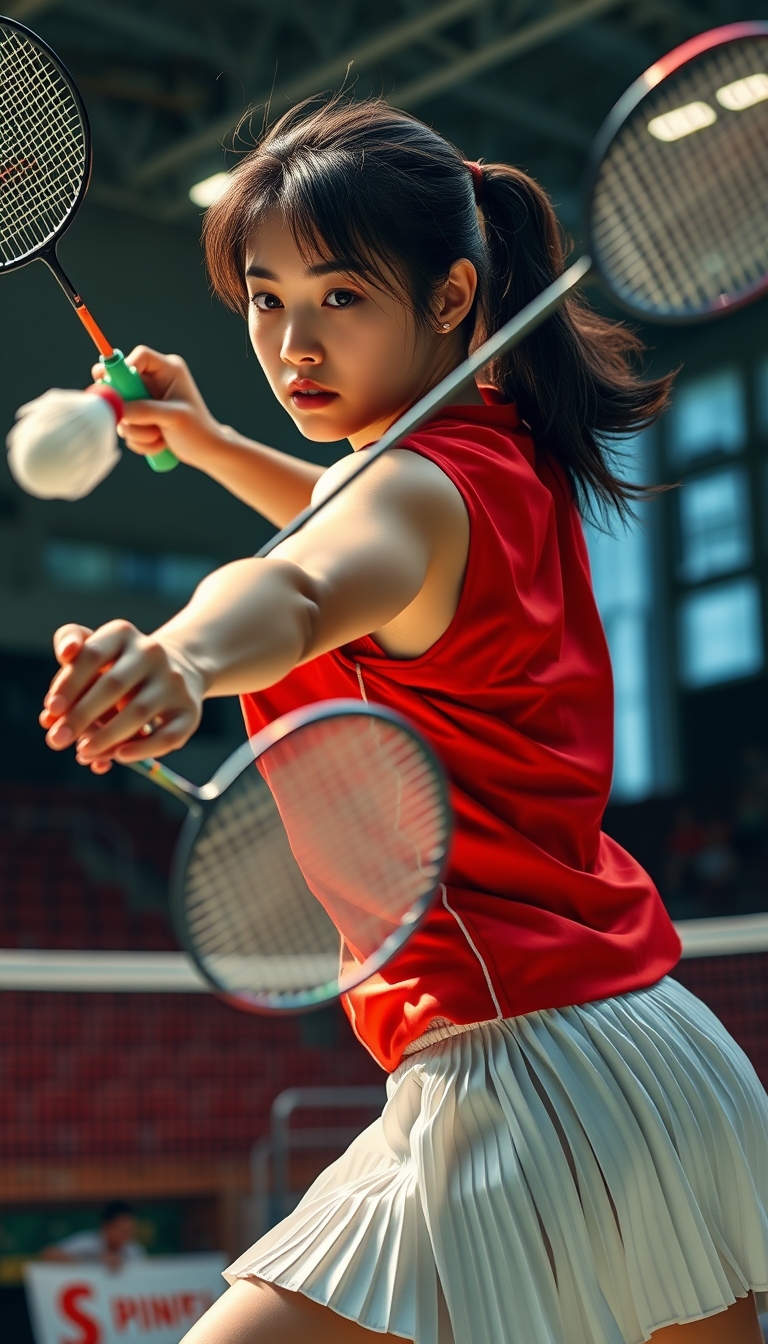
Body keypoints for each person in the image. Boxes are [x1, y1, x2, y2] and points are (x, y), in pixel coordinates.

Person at [39, 97, 768, 1344]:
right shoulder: (495, 458)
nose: (291, 345)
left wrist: (178, 653)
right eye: (266, 299)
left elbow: (305, 581)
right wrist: (213, 445)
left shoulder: (411, 496)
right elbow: (345, 524)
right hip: (648, 1053)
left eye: (338, 297)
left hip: (519, 1078)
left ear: (450, 297)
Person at [41, 1200, 146, 1272]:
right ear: (106, 1227)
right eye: (123, 1231)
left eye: (130, 1232)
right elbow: (48, 1254)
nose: (127, 1236)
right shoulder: (87, 1242)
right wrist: (94, 1264)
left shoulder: (135, 1251)